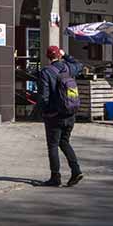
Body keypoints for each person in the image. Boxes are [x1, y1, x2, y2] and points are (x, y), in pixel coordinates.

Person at [38, 45, 83, 188]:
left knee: (52, 145)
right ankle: (76, 171)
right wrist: (66, 55)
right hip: (70, 113)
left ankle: (55, 177)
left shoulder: (46, 72)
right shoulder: (69, 68)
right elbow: (80, 65)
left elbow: (43, 96)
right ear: (59, 55)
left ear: (47, 57)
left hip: (54, 115)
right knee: (64, 142)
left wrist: (43, 112)